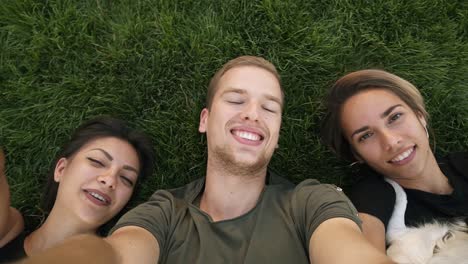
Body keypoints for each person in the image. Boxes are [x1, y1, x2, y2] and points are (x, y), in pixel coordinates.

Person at [23, 56, 393, 264]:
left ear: (276, 134)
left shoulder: (311, 203)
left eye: (269, 107)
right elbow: (118, 255)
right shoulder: (164, 213)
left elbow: (350, 253)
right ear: (204, 120)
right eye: (235, 100)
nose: (252, 114)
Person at [321, 69, 468, 253]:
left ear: (419, 116)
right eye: (366, 135)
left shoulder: (463, 163)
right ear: (357, 155)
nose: (391, 141)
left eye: (395, 117)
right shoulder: (375, 195)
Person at [0, 116, 155, 262]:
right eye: (97, 162)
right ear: (61, 169)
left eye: (126, 179)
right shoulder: (9, 232)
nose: (110, 181)